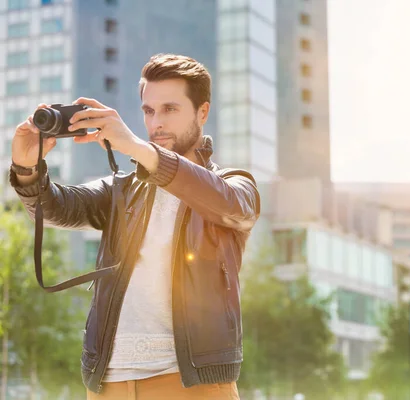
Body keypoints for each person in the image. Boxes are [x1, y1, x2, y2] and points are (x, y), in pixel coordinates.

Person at [9, 53, 259, 399]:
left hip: (193, 385)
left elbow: (233, 206)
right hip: (107, 384)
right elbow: (55, 208)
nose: (156, 123)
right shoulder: (123, 190)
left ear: (203, 112)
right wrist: (25, 167)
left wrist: (138, 149)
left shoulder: (232, 184)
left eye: (170, 109)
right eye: (148, 110)